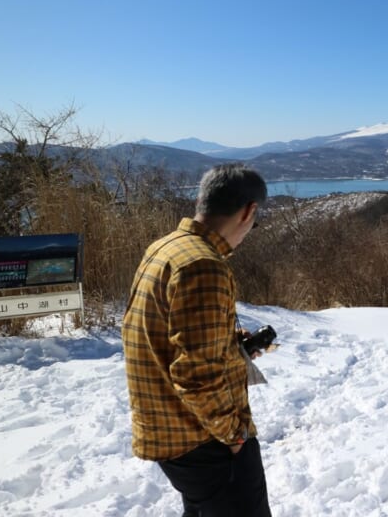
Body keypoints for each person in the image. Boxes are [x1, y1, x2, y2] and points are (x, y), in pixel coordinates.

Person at [122, 163, 271, 517]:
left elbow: (168, 333)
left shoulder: (167, 248)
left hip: (171, 429)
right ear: (248, 212)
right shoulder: (203, 265)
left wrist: (230, 339)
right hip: (202, 437)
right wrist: (235, 437)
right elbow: (196, 376)